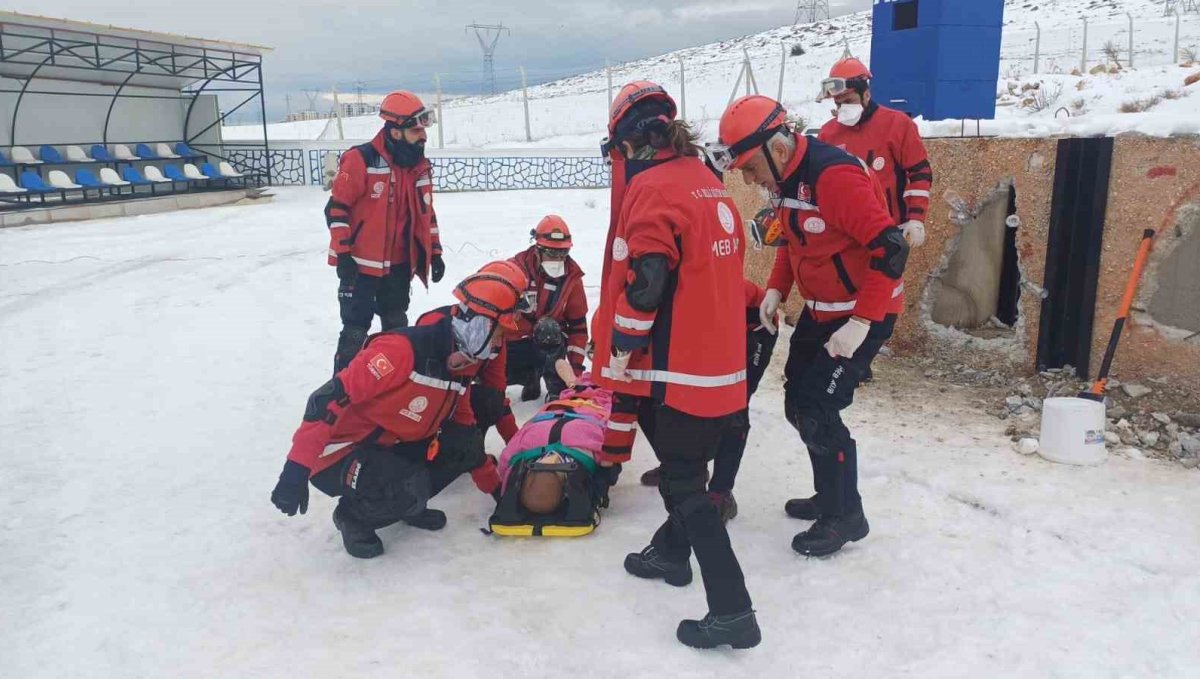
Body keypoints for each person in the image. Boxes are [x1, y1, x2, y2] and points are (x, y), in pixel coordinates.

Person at [593, 81, 760, 650]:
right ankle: (669, 553)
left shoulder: (654, 188)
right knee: (684, 465)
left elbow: (649, 284)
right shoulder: (710, 185)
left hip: (674, 367)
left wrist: (621, 342)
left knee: (685, 483)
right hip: (718, 363)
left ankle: (733, 610)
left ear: (630, 142)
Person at [709, 94, 908, 558]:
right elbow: (793, 244)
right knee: (798, 404)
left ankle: (846, 516)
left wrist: (862, 322)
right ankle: (831, 494)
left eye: (750, 167)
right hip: (820, 311)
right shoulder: (784, 180)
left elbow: (892, 249)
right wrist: (778, 290)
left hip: (860, 314)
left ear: (776, 148)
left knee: (819, 408)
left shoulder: (834, 178)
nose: (748, 178)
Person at [268, 264, 527, 559]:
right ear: (480, 324)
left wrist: (498, 493)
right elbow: (325, 402)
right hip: (343, 451)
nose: (500, 341)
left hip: (394, 442)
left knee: (460, 447)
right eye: (500, 332)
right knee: (406, 488)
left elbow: (465, 425)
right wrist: (295, 470)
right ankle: (353, 517)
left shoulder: (462, 361)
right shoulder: (401, 350)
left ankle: (409, 504)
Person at [325, 90, 447, 373]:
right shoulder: (360, 159)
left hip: (399, 267)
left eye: (424, 129)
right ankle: (340, 394)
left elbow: (426, 214)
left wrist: (435, 252)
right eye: (416, 130)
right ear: (394, 132)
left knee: (396, 329)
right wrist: (343, 255)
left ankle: (390, 387)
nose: (423, 136)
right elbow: (336, 210)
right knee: (355, 333)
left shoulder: (419, 166)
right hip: (359, 268)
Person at [638, 279, 779, 522]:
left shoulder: (705, 286)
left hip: (754, 327)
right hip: (706, 331)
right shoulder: (653, 291)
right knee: (666, 400)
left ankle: (722, 492)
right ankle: (684, 466)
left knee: (734, 408)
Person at [817, 57, 932, 248]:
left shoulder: (897, 124)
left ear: (866, 95)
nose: (843, 108)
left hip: (889, 231)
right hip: (846, 235)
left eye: (849, 101)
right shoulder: (828, 134)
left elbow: (920, 172)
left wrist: (916, 218)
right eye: (838, 104)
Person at [489, 378, 613, 536]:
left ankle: (583, 381)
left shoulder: (521, 448)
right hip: (597, 405)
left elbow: (504, 466)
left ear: (527, 472)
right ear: (566, 486)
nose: (552, 457)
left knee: (573, 374)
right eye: (557, 468)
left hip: (561, 405)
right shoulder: (586, 450)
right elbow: (611, 454)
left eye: (543, 462)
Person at [505, 215, 589, 401]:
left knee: (549, 327)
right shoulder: (514, 271)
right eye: (552, 252)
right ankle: (528, 378)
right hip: (514, 343)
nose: (558, 258)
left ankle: (556, 391)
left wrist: (574, 371)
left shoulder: (572, 278)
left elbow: (578, 327)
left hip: (550, 345)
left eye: (563, 252)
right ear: (537, 249)